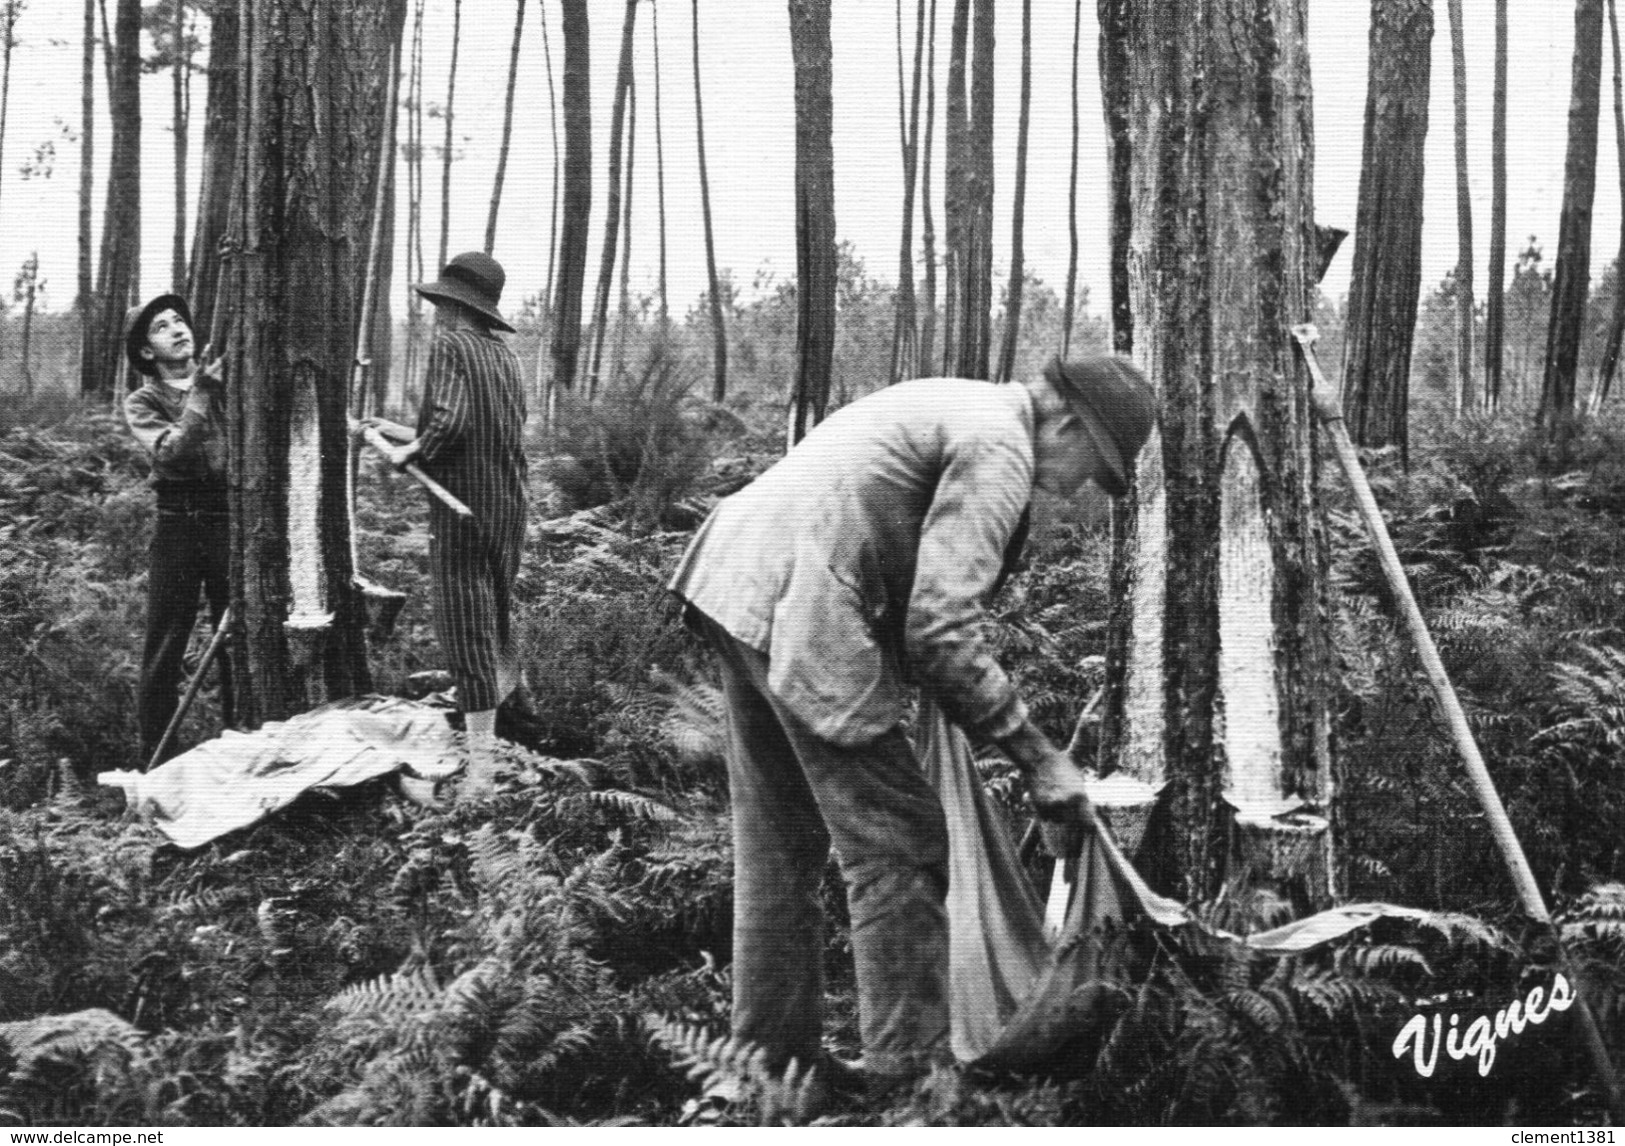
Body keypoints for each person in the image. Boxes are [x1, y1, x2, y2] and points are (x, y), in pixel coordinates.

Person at [668, 356, 1156, 1099]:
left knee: (779, 842)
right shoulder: (1001, 446)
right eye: (1096, 465)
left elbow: (885, 547)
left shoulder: (958, 402)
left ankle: (769, 1065)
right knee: (899, 844)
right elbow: (940, 631)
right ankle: (910, 1083)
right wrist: (1039, 759)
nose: (1085, 484)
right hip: (803, 608)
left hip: (737, 580)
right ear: (1068, 422)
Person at [367, 251, 530, 792]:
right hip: (507, 508)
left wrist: (410, 449)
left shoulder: (450, 345)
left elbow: (450, 424)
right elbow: (482, 426)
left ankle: (479, 777)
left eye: (441, 303)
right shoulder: (504, 357)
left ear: (458, 308)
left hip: (462, 511)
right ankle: (506, 745)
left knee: (467, 635)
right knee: (495, 623)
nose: (436, 312)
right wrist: (392, 430)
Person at [122, 293, 233, 767]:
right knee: (168, 640)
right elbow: (171, 454)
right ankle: (157, 759)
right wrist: (202, 394)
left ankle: (244, 736)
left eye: (180, 320)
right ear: (147, 352)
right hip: (179, 524)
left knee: (240, 634)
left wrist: (213, 389)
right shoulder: (144, 401)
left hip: (230, 519)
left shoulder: (226, 385)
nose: (177, 329)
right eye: (162, 327)